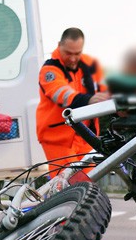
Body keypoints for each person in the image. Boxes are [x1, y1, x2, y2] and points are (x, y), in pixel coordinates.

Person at [36, 28, 110, 174]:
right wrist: (90, 99)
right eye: (68, 53)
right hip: (58, 137)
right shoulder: (49, 69)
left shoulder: (90, 64)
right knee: (65, 185)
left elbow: (106, 88)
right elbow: (61, 94)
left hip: (85, 136)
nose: (72, 58)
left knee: (88, 182)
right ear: (59, 45)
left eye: (77, 53)